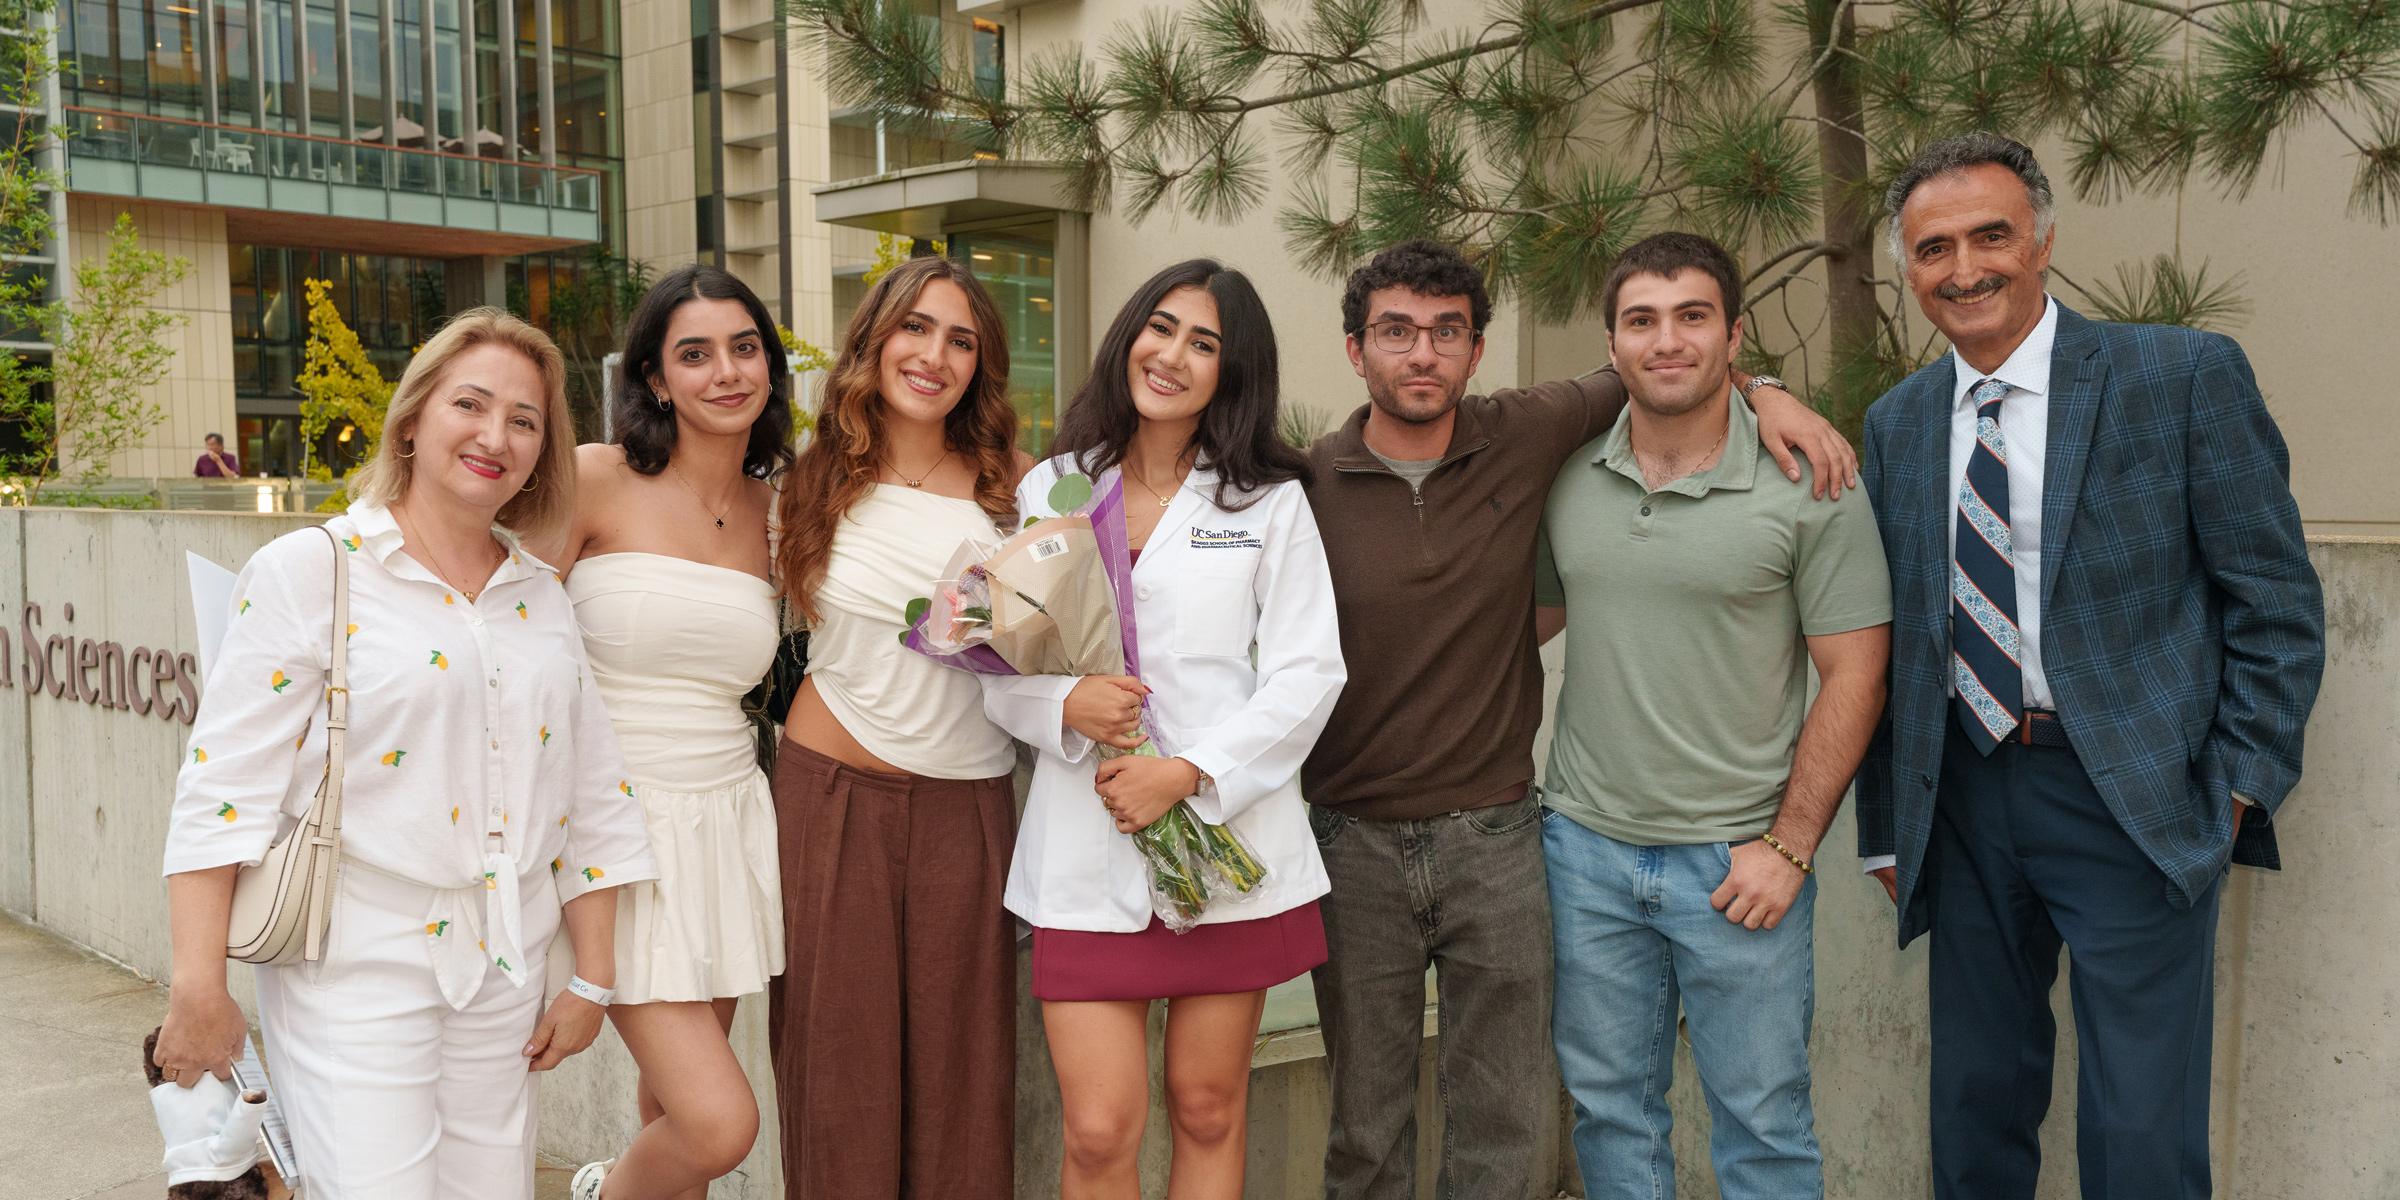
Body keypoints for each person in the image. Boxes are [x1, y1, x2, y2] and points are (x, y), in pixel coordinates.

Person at [1298, 239, 1857, 1200]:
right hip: (1372, 844)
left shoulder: (1530, 431)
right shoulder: (1298, 489)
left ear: (1478, 351)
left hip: (1515, 839)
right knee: (1375, 1132)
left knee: (1520, 1127)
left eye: (1447, 333)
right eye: (1395, 332)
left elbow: (1666, 362)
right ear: (1355, 350)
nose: (1422, 353)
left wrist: (1768, 391)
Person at [1856, 132, 2325, 1200]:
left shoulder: (2181, 375)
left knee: (2141, 1131)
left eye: (1991, 235)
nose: (1965, 266)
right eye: (1934, 248)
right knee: (1974, 1106)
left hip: (2131, 796)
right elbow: (1893, 639)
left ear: (2044, 241)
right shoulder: (1897, 423)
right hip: (1963, 800)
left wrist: (2240, 782)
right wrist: (1887, 824)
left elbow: (2278, 601)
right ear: (1909, 269)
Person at [151, 310, 660, 1198]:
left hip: (506, 961)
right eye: (471, 403)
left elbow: (592, 792)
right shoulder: (314, 569)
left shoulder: (540, 596)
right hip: (356, 962)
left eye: (525, 420)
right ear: (414, 418)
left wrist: (595, 981)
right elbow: (222, 790)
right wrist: (199, 989)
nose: (495, 436)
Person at [1531, 232, 1891, 1198]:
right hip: (1586, 855)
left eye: (1693, 316)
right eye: (1641, 320)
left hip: (1738, 865)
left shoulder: (1811, 483)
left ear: (1734, 335)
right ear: (1611, 345)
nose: (1667, 341)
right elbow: (1520, 630)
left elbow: (1856, 675)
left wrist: (1792, 845)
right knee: (1611, 1115)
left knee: (1763, 1126)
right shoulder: (1567, 476)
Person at [983, 259, 1346, 1199]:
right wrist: (1063, 706)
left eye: (1204, 343)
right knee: (1101, 1131)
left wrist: (1189, 771)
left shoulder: (1268, 501)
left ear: (1235, 371)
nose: (1173, 355)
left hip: (1222, 839)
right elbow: (1002, 668)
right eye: (1160, 328)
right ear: (1128, 337)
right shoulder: (1055, 488)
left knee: (1208, 1105)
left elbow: (1310, 673)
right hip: (1086, 842)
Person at [769, 254, 1032, 1200]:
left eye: (961, 339)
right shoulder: (812, 477)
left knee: (964, 1088)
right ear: (874, 340)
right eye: (915, 328)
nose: (934, 355)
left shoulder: (1016, 490)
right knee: (836, 1076)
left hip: (969, 809)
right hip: (829, 799)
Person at [542, 266, 793, 1200]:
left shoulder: (781, 510)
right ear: (654, 377)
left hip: (725, 819)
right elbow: (500, 634)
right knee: (719, 1124)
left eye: (744, 347)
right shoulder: (593, 477)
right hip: (615, 830)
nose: (725, 372)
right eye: (695, 354)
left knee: (670, 1108)